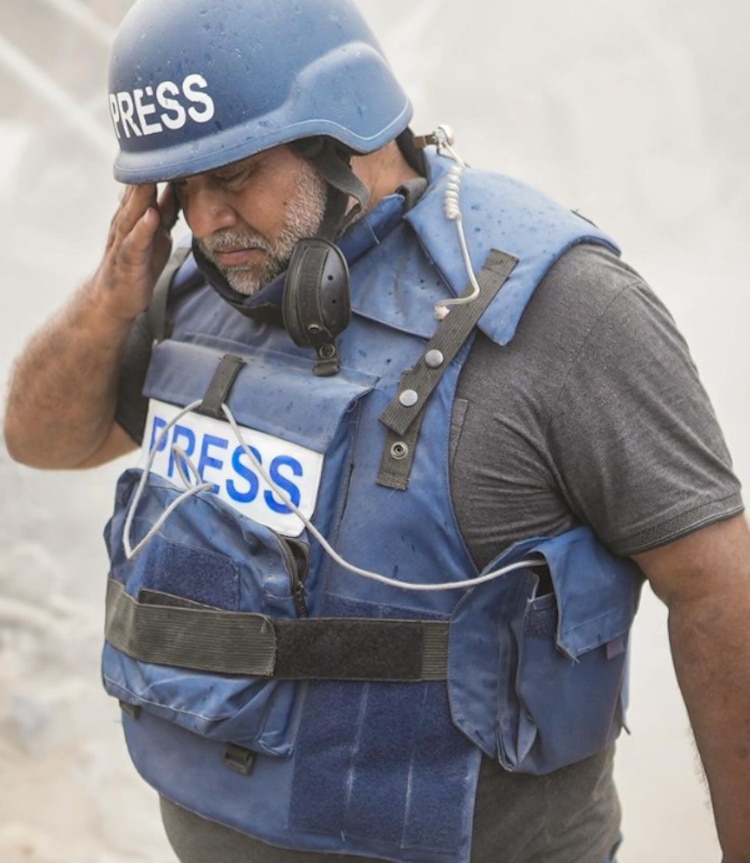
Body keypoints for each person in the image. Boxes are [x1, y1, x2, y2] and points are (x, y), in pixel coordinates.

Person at [4, 0, 750, 861]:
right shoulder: (197, 287)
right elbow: (43, 440)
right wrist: (112, 292)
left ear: (343, 130)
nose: (203, 220)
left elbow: (718, 592)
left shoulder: (565, 310)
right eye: (181, 188)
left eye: (235, 174)